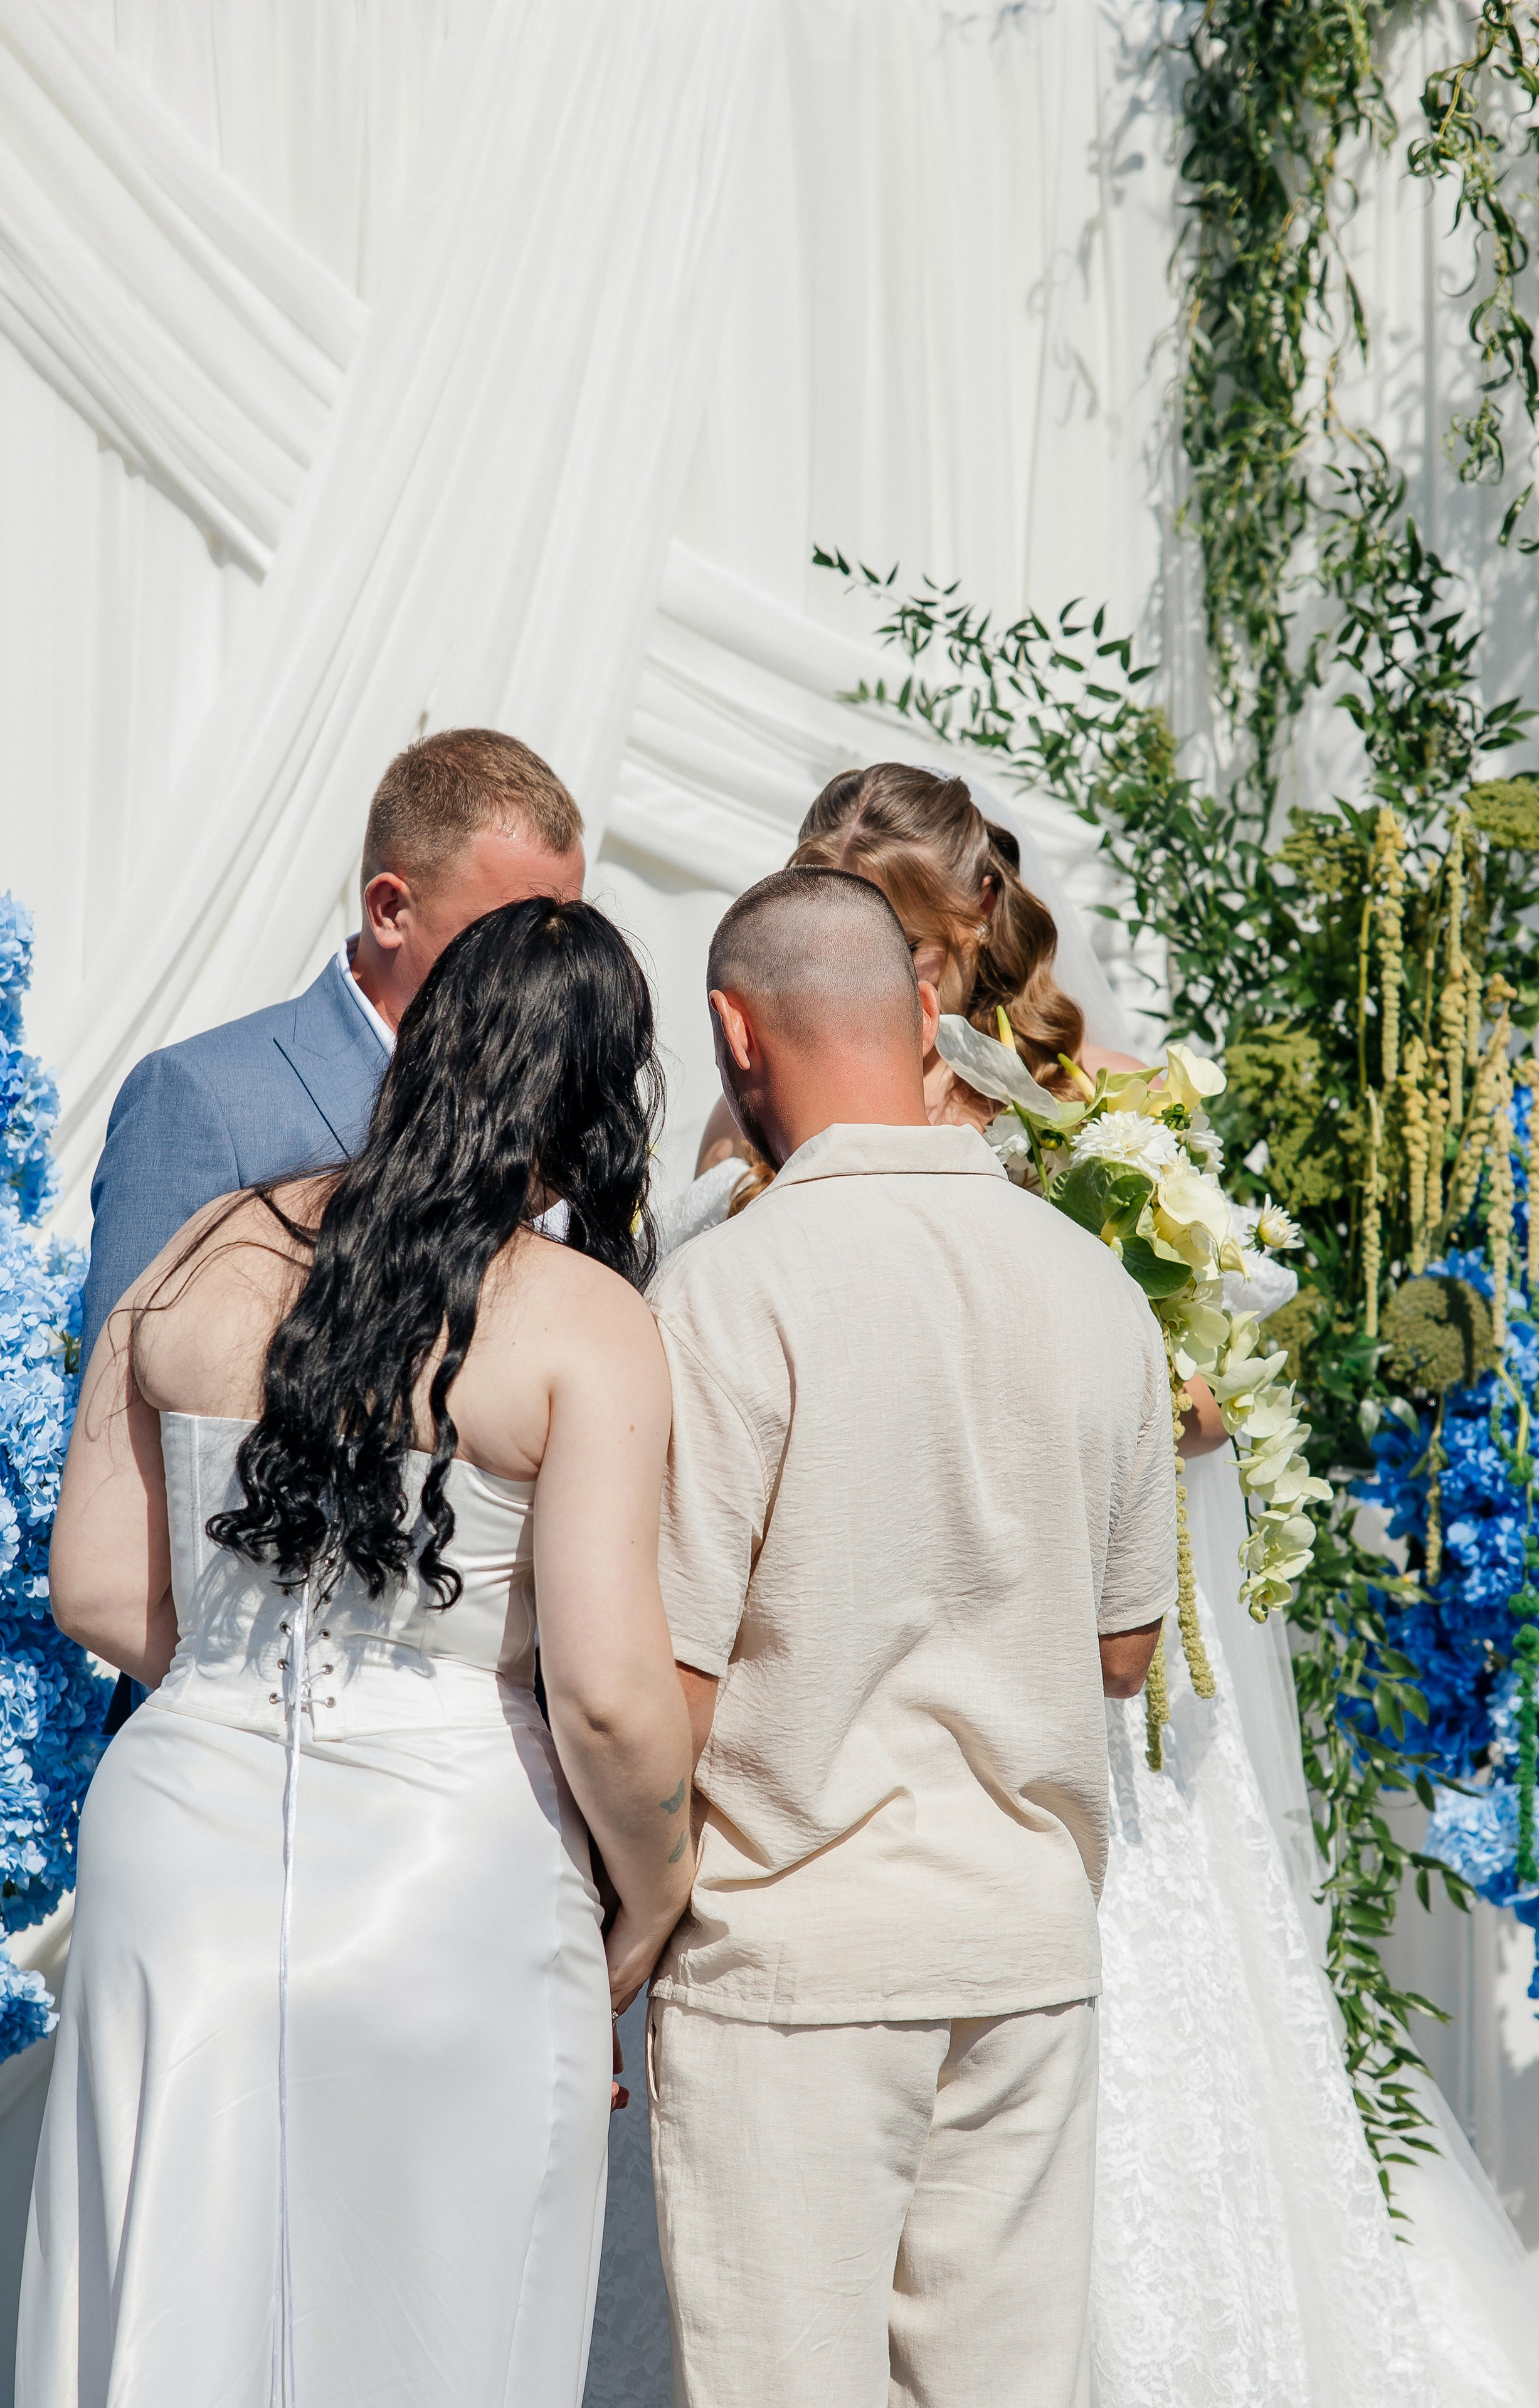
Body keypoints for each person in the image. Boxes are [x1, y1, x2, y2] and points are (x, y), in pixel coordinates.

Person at [675, 765, 1538, 2408]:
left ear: (968, 932)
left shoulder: (1093, 1112)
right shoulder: (759, 1142)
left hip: (1056, 1724)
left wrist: (1188, 1401)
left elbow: (1178, 1399)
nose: (898, 976)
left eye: (913, 939)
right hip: (886, 1713)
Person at [18, 899, 694, 2407]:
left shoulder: (203, 1251)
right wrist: (654, 1896)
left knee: (172, 2275)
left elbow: (95, 1590)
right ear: (593, 1105)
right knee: (429, 2315)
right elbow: (600, 1689)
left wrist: (237, 1683)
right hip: (447, 1860)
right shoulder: (583, 1324)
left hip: (177, 1834)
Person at [645, 867, 1175, 2408]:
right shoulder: (1094, 1288)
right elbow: (1124, 1653)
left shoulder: (726, 1294)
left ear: (735, 1032)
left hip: (793, 1948)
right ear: (928, 1018)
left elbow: (670, 1686)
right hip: (1019, 1939)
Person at [85, 724, 584, 1731]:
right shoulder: (206, 1101)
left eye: (564, 933)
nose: (545, 973)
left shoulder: (562, 1125)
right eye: (510, 933)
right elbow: (123, 1490)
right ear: (390, 909)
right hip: (243, 1748)